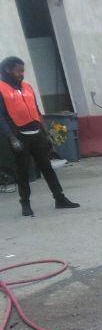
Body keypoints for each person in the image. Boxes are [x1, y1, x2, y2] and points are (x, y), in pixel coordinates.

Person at [0, 55, 79, 216]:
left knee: (47, 168)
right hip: (18, 135)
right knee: (23, 171)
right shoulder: (1, 88)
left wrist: (46, 132)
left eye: (23, 70)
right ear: (8, 70)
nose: (21, 74)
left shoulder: (27, 87)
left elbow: (36, 110)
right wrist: (12, 138)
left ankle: (60, 199)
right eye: (18, 71)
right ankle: (25, 204)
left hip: (36, 132)